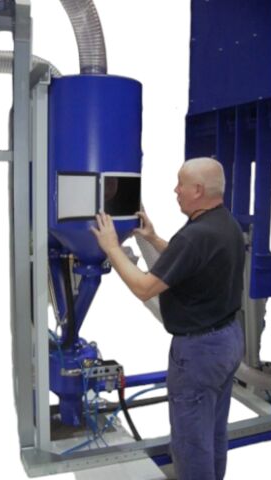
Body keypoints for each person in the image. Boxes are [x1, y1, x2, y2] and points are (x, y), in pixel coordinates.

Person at [91, 157, 245, 480]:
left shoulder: (195, 236)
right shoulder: (224, 223)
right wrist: (152, 238)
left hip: (199, 354)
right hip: (228, 341)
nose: (175, 190)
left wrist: (111, 248)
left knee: (191, 445)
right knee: (214, 432)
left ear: (198, 190)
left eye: (180, 185)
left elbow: (144, 287)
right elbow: (188, 258)